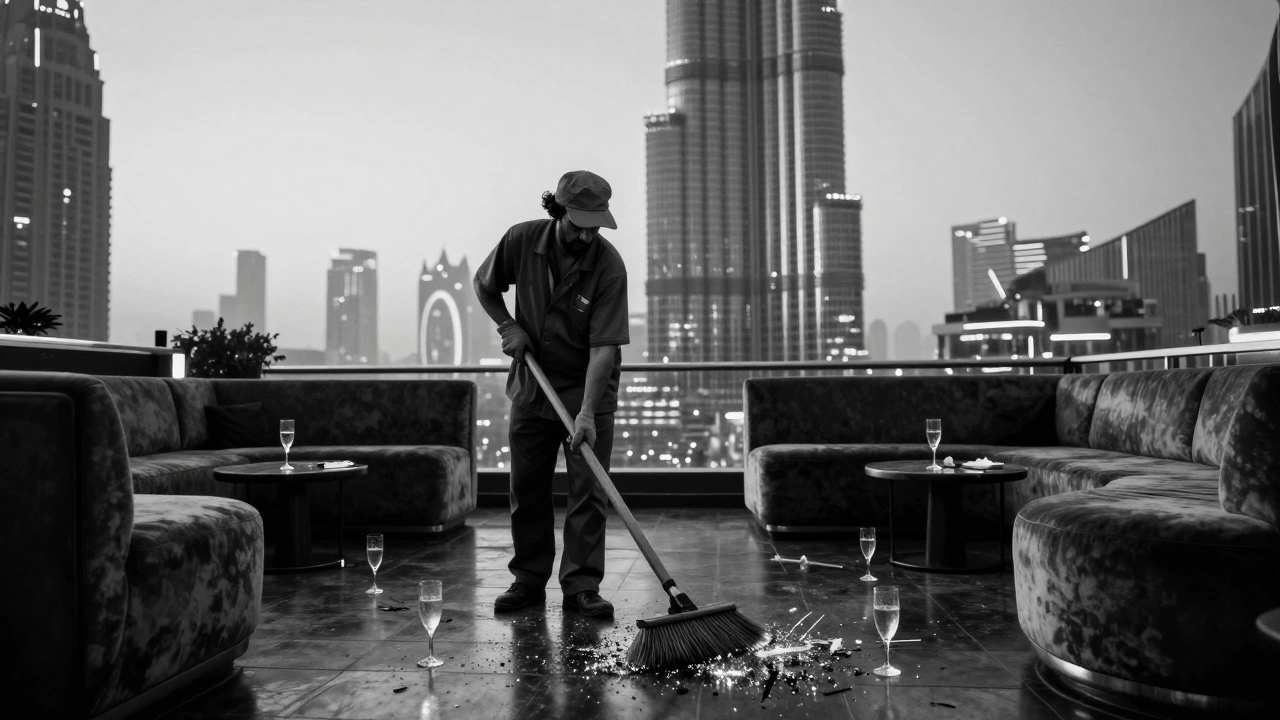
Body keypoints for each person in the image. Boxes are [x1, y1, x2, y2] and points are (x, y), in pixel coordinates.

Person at [473, 170, 629, 618]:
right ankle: (528, 578)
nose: (587, 235)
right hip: (533, 387)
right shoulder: (521, 240)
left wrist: (586, 413)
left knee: (589, 492)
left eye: (596, 226)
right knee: (527, 488)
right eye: (579, 225)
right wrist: (509, 326)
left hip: (588, 392)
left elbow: (603, 349)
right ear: (557, 211)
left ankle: (582, 586)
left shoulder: (608, 265)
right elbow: (485, 285)